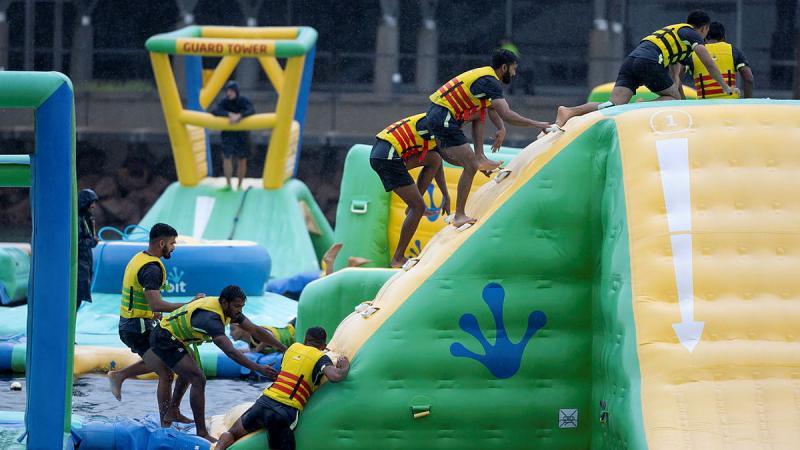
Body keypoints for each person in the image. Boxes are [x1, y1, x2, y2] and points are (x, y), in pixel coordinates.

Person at [427, 49, 551, 228]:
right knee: (470, 165)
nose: (514, 73)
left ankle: (479, 156)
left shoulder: (485, 77)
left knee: (480, 113)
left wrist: (501, 128)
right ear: (504, 67)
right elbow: (507, 114)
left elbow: (491, 109)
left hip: (441, 113)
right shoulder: (490, 82)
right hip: (443, 117)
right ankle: (460, 215)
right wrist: (537, 124)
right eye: (513, 69)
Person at [151, 285, 288, 442]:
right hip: (164, 338)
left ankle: (173, 410)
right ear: (224, 302)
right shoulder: (211, 319)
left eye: (242, 306)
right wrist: (258, 368)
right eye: (236, 306)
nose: (239, 310)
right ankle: (201, 432)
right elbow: (230, 352)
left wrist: (285, 349)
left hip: (178, 338)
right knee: (198, 378)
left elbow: (255, 330)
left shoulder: (230, 310)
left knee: (191, 371)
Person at [555, 10, 736, 126]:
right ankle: (642, 106)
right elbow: (708, 62)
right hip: (649, 61)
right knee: (670, 98)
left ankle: (570, 111)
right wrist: (725, 87)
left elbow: (675, 80)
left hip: (631, 60)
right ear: (704, 29)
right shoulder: (690, 33)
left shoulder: (676, 38)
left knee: (613, 104)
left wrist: (680, 101)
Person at [108, 223, 196, 427]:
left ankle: (120, 376)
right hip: (136, 328)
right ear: (162, 242)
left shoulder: (141, 257)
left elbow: (143, 299)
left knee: (174, 363)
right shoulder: (151, 269)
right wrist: (189, 305)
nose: (174, 247)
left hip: (139, 323)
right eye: (173, 243)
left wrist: (152, 313)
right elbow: (156, 302)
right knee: (166, 373)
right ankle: (166, 423)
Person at [215, 326, 350, 450]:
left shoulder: (292, 348)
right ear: (323, 346)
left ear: (304, 339)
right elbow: (335, 376)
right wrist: (344, 366)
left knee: (232, 433)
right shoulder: (320, 357)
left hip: (263, 402)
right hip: (284, 411)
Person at [369, 112, 452, 267]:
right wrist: (473, 164)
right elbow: (451, 157)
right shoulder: (434, 124)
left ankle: (412, 207)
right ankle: (398, 258)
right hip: (387, 156)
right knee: (418, 207)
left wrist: (446, 195)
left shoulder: (437, 124)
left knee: (434, 159)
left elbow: (438, 164)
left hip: (385, 154)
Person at [684, 21, 754, 99]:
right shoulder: (733, 51)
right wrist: (747, 102)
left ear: (705, 36)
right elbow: (749, 79)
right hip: (730, 104)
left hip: (704, 106)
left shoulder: (694, 53)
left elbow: (677, 78)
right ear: (723, 37)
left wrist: (682, 102)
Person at [212, 80, 255, 191]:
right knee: (226, 157)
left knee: (242, 159)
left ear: (236, 92)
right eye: (228, 91)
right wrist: (228, 114)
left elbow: (251, 110)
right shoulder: (224, 102)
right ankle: (228, 184)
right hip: (228, 134)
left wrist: (240, 116)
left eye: (231, 91)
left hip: (242, 134)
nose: (229, 93)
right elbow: (215, 110)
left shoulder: (243, 100)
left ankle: (240, 185)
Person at [77, 188, 99, 310]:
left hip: (84, 262)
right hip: (79, 264)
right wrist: (92, 241)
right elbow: (77, 243)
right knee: (76, 298)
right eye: (92, 202)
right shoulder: (78, 219)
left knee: (78, 299)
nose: (94, 206)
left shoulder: (87, 218)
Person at [230, 320, 295, 354]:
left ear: (243, 328)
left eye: (232, 329)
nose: (230, 333)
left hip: (293, 330)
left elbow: (270, 336)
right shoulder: (252, 343)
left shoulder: (255, 333)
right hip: (290, 334)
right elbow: (251, 350)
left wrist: (257, 349)